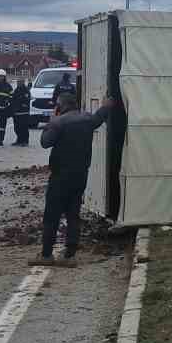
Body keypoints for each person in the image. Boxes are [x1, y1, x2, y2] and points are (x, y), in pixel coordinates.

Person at [36, 91, 116, 265]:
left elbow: (45, 142)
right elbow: (99, 118)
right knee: (73, 215)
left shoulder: (58, 123)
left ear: (61, 106)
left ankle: (46, 255)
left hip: (60, 177)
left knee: (52, 215)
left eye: (57, 104)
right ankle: (70, 256)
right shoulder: (87, 119)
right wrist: (106, 106)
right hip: (80, 175)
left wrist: (51, 122)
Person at [10, 76, 32, 146]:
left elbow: (26, 99)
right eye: (18, 82)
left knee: (24, 128)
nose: (18, 83)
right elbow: (13, 99)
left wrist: (20, 103)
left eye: (20, 82)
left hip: (24, 113)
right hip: (16, 113)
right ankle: (19, 140)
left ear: (23, 82)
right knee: (17, 128)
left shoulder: (26, 90)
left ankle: (25, 141)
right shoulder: (16, 90)